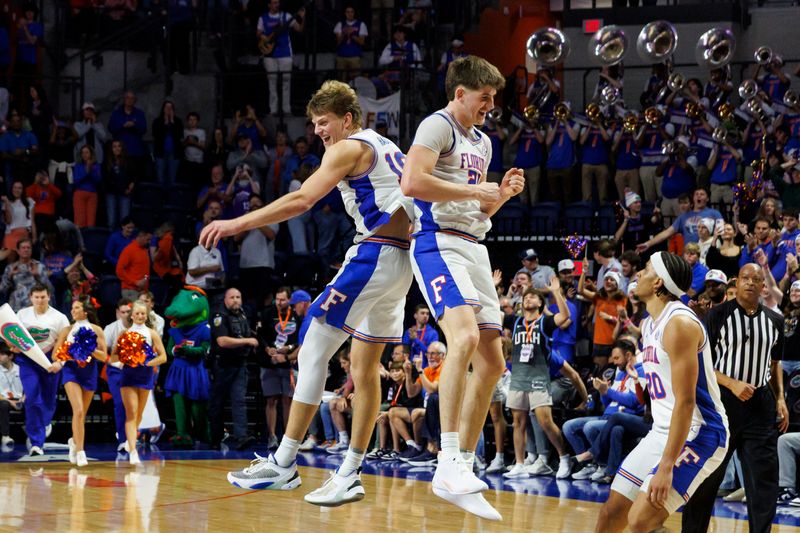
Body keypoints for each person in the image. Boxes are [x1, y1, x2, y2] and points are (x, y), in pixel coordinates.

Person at [201, 80, 413, 506]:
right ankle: (351, 471)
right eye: (315, 124)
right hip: (401, 263)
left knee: (313, 342)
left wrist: (234, 224)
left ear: (347, 119)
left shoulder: (348, 147)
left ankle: (284, 461)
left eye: (324, 122)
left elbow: (302, 199)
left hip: (374, 252)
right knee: (364, 366)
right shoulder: (386, 146)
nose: (318, 131)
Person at [399, 55, 524, 520]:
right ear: (460, 93)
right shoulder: (438, 126)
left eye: (493, 98)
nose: (490, 105)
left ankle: (464, 469)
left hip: (473, 244)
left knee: (492, 361)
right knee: (465, 338)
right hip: (437, 243)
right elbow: (413, 182)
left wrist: (500, 196)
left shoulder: (484, 142)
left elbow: (478, 212)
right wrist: (478, 191)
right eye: (484, 97)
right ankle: (447, 458)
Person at [596, 252, 729, 533]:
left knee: (641, 521)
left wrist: (667, 466)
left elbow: (686, 400)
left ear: (658, 282)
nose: (637, 275)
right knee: (612, 513)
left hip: (700, 432)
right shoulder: (648, 323)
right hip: (662, 430)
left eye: (644, 270)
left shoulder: (679, 323)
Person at [681, 263, 787, 533]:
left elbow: (775, 364)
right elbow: (700, 362)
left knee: (764, 480)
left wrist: (780, 399)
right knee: (708, 476)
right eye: (745, 278)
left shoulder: (775, 320)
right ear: (736, 283)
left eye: (757, 279)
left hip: (760, 404)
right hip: (723, 403)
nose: (751, 283)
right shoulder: (717, 316)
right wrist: (732, 383)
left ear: (764, 286)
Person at [503, 280, 587, 480]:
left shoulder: (545, 323)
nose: (527, 298)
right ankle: (521, 463)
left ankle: (563, 457)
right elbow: (492, 313)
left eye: (532, 296)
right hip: (519, 377)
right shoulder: (514, 321)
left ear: (541, 304)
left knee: (545, 421)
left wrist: (556, 292)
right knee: (518, 422)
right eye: (525, 297)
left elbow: (565, 316)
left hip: (539, 377)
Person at [53, 297, 107, 467]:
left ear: (85, 311)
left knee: (82, 414)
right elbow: (55, 355)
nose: (72, 311)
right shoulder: (67, 330)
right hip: (71, 371)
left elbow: (104, 356)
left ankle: (74, 441)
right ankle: (81, 451)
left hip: (89, 371)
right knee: (78, 410)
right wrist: (71, 351)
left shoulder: (96, 329)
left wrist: (88, 348)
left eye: (76, 308)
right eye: (72, 308)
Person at [16, 283, 70, 455]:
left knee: (47, 400)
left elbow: (67, 344)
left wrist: (60, 363)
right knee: (32, 398)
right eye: (36, 297)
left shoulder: (60, 317)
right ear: (31, 298)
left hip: (50, 360)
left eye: (43, 297)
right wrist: (14, 346)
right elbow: (13, 336)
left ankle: (44, 423)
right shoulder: (21, 314)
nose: (40, 300)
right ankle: (36, 443)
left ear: (49, 297)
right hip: (28, 361)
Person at [111, 300, 167, 465]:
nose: (141, 316)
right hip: (128, 375)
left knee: (139, 414)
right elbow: (114, 356)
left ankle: (130, 440)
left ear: (147, 315)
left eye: (143, 313)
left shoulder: (152, 333)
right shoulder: (125, 334)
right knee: (132, 412)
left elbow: (163, 357)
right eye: (137, 313)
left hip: (145, 375)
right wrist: (126, 359)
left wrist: (147, 362)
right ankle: (133, 450)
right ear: (132, 315)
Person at [208, 287, 257, 451]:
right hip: (222, 364)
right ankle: (215, 438)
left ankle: (241, 437)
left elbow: (246, 333)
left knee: (239, 400)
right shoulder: (219, 316)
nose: (235, 300)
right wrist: (247, 341)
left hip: (239, 363)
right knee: (218, 402)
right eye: (232, 297)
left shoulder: (241, 314)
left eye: (238, 297)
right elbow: (222, 341)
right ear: (225, 300)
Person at [257, 287, 300, 449]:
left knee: (287, 400)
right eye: (277, 298)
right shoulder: (267, 313)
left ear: (289, 300)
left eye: (282, 299)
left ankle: (287, 437)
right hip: (269, 362)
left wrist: (288, 349)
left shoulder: (295, 316)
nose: (279, 302)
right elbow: (260, 335)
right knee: (271, 399)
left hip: (287, 363)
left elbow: (298, 339)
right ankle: (272, 435)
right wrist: (268, 348)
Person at [257, 0, 305, 115]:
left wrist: (302, 18)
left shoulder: (286, 16)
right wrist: (266, 39)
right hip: (269, 54)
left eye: (277, 2)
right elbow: (258, 33)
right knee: (272, 82)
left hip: (285, 53)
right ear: (269, 4)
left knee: (286, 82)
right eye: (273, 3)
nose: (276, 5)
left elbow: (299, 29)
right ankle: (273, 110)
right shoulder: (263, 18)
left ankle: (286, 110)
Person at [103, 297, 132, 452]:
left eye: (129, 312)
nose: (126, 315)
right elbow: (102, 353)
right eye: (123, 312)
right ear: (117, 313)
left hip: (137, 370)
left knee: (136, 406)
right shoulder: (110, 328)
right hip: (116, 370)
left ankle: (136, 437)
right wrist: (115, 362)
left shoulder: (141, 328)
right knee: (120, 403)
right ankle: (123, 438)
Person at [0, 239, 52, 311]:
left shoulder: (39, 266)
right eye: (23, 248)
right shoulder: (10, 268)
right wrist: (10, 276)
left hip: (35, 305)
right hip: (16, 305)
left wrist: (37, 275)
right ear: (18, 251)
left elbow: (49, 288)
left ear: (31, 250)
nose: (26, 250)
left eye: (28, 248)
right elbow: (3, 290)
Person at [115, 226, 152, 301]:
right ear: (141, 236)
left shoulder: (145, 251)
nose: (149, 242)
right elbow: (119, 271)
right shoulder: (129, 250)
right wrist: (135, 282)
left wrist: (144, 280)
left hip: (142, 292)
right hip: (131, 290)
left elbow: (145, 271)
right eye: (148, 239)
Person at [333, 6, 367, 77]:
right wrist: (345, 33)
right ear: (345, 13)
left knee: (355, 79)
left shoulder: (361, 24)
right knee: (341, 79)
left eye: (352, 12)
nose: (350, 14)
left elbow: (362, 42)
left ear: (354, 13)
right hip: (342, 56)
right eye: (348, 12)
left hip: (355, 57)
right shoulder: (340, 24)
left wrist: (352, 35)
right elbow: (338, 42)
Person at [401, 304, 439, 368]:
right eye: (422, 313)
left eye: (427, 314)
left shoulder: (433, 333)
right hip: (412, 367)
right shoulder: (409, 332)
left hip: (426, 368)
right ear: (415, 315)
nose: (425, 316)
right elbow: (405, 351)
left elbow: (431, 353)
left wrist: (416, 340)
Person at [0, 343, 22, 447]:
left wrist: (23, 399)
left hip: (21, 398)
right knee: (3, 404)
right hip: (4, 399)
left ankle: (32, 434)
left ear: (10, 356)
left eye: (2, 354)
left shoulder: (20, 369)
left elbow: (28, 388)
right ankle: (5, 436)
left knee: (33, 403)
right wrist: (10, 402)